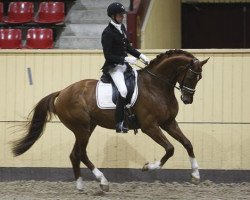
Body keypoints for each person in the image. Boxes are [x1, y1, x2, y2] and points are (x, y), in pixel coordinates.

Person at [101, 2, 150, 133]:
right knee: (123, 91)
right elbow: (108, 55)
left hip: (125, 66)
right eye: (119, 15)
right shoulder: (107, 33)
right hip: (114, 68)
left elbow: (127, 47)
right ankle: (119, 123)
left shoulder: (122, 27)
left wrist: (141, 56)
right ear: (112, 16)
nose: (122, 17)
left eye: (123, 14)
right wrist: (125, 59)